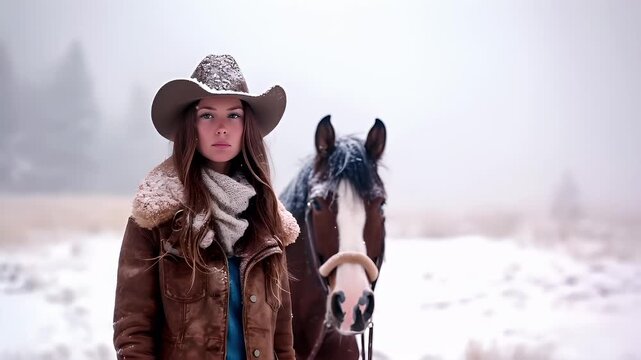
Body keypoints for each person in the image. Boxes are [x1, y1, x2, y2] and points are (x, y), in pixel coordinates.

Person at [113, 54, 300, 360]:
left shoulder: (267, 220)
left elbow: (282, 340)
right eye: (208, 115)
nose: (222, 128)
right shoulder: (156, 217)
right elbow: (133, 330)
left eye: (234, 115)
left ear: (247, 126)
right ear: (192, 125)